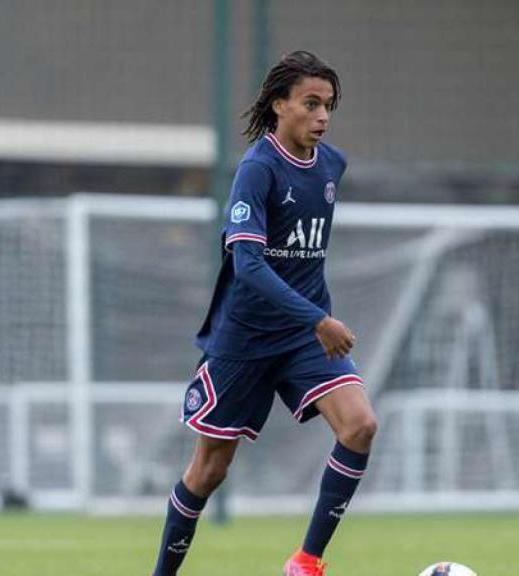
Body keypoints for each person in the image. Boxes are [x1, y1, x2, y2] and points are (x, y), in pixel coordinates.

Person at [150, 51, 377, 576]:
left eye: (329, 106)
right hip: (245, 339)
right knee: (208, 471)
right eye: (311, 104)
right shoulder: (258, 169)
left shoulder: (331, 166)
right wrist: (320, 319)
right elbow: (247, 265)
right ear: (280, 105)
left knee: (361, 425)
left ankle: (306, 562)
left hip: (301, 336)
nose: (322, 116)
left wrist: (311, 321)